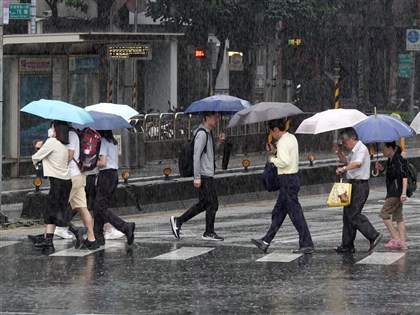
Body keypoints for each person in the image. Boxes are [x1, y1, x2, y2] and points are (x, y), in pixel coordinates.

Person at [251, 118, 315, 254]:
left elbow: (285, 161)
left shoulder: (284, 142)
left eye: (271, 132)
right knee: (278, 213)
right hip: (291, 179)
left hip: (287, 180)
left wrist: (272, 159)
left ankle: (307, 243)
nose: (272, 135)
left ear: (275, 130)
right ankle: (266, 241)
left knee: (296, 215)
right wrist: (275, 150)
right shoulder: (291, 138)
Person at [170, 111, 226, 241]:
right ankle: (208, 232)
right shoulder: (202, 134)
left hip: (207, 174)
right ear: (207, 117)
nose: (217, 120)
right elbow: (196, 156)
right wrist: (197, 176)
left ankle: (179, 221)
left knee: (204, 204)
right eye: (215, 117)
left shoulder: (208, 133)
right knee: (213, 204)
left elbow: (209, 154)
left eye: (218, 117)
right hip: (204, 175)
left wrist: (219, 142)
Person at [332, 127, 383, 253]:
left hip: (360, 185)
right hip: (352, 184)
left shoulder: (361, 149)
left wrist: (343, 169)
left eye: (345, 142)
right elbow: (348, 162)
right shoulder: (354, 151)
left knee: (354, 214)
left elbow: (357, 164)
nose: (345, 145)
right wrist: (339, 152)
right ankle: (347, 245)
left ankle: (373, 235)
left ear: (352, 138)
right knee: (347, 215)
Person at [31, 120, 72, 252]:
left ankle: (74, 231)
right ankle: (48, 240)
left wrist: (39, 149)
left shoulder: (52, 142)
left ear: (56, 130)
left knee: (52, 211)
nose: (51, 130)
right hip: (66, 181)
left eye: (52, 128)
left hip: (57, 182)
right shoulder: (64, 144)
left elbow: (36, 157)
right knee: (56, 211)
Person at [92, 130, 136, 246]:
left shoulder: (103, 142)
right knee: (100, 206)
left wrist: (90, 163)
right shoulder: (113, 142)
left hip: (105, 175)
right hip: (113, 175)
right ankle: (98, 236)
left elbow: (103, 162)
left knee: (99, 207)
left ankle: (125, 227)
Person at [67, 128, 99, 250]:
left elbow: (69, 156)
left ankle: (47, 238)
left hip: (73, 175)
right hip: (80, 174)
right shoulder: (77, 134)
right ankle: (92, 239)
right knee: (83, 208)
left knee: (57, 208)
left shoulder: (70, 135)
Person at [375, 141, 408, 250]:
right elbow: (391, 176)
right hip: (394, 192)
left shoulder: (398, 160)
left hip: (395, 193)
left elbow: (404, 176)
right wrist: (381, 169)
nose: (382, 151)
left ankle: (395, 238)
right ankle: (403, 243)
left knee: (384, 213)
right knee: (399, 217)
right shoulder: (391, 160)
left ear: (390, 148)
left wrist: (403, 192)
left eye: (383, 149)